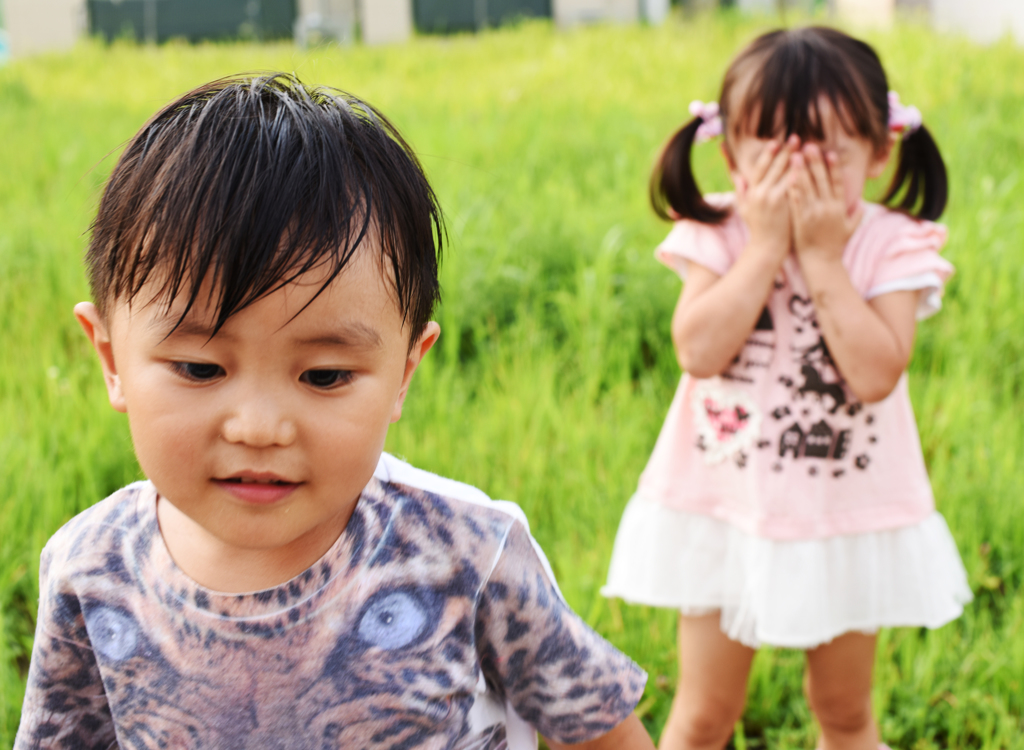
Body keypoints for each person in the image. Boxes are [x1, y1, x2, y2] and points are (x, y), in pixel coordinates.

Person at [16, 73, 655, 750]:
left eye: (323, 375)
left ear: (406, 370)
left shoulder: (466, 555)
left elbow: (600, 732)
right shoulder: (90, 569)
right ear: (111, 359)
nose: (259, 428)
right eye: (201, 368)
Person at [603, 27, 972, 750]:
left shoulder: (891, 243)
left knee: (844, 714)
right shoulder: (721, 231)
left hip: (845, 515)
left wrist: (823, 259)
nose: (800, 173)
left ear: (879, 151)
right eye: (774, 151)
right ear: (732, 154)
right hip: (724, 509)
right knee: (704, 714)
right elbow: (698, 349)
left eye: (829, 151)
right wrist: (769, 245)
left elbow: (874, 373)